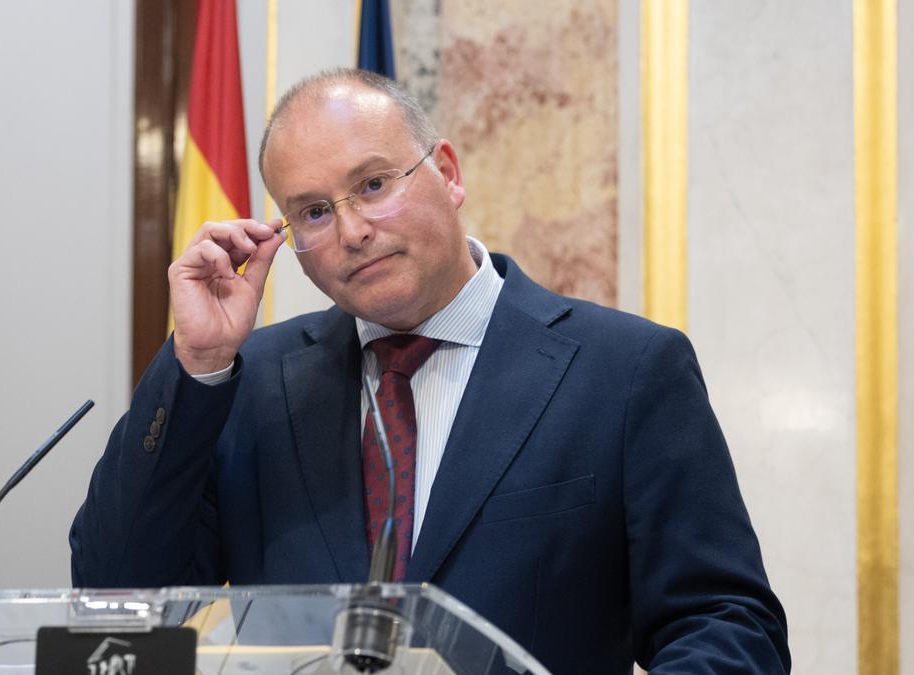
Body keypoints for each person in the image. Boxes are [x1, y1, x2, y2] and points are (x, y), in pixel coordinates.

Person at [71, 68, 789, 673]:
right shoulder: (252, 381)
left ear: (447, 173)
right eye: (314, 212)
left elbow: (726, 622)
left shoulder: (624, 370)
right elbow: (115, 589)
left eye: (374, 184)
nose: (352, 230)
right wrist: (196, 364)